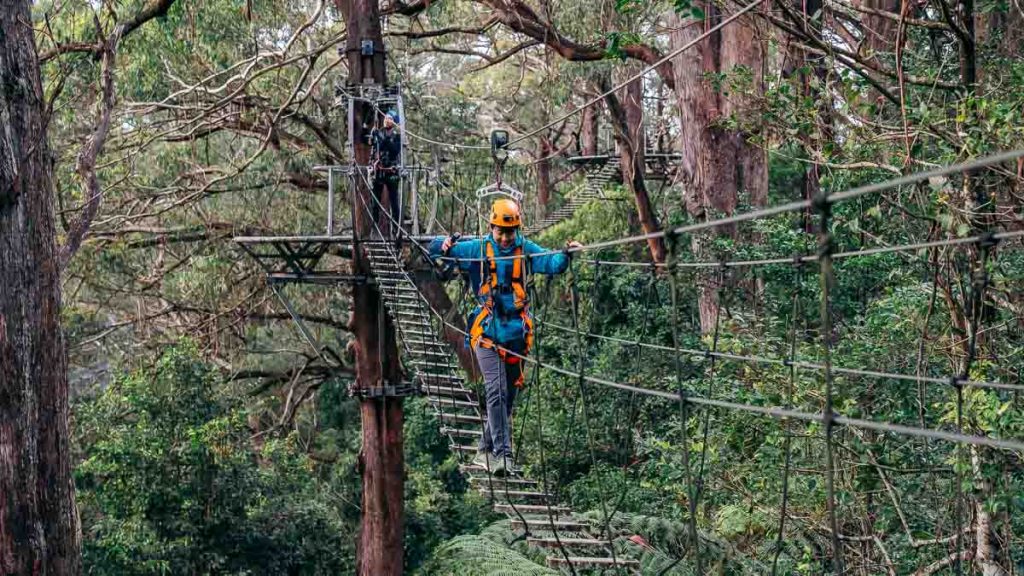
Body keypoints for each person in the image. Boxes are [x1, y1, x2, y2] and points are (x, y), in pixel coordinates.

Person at [429, 199, 582, 475]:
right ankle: (503, 456)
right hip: (486, 331)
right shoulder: (476, 248)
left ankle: (484, 451)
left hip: (517, 335)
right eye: (499, 230)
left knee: (507, 397)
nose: (504, 237)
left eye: (509, 232)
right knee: (496, 391)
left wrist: (567, 253)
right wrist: (442, 244)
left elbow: (551, 263)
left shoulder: (526, 250)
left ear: (517, 230)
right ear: (491, 227)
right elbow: (433, 250)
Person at [370, 109, 402, 236]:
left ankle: (396, 228)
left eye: (389, 118)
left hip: (392, 171)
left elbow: (395, 151)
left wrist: (384, 139)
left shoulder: (397, 135)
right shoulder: (379, 132)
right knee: (375, 201)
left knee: (394, 201)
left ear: (394, 122)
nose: (386, 120)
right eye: (385, 118)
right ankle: (374, 227)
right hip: (379, 170)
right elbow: (374, 146)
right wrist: (373, 136)